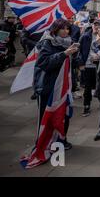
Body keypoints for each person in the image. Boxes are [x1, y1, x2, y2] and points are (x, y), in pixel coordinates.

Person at [35, 18, 80, 150]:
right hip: (49, 86)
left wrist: (76, 56)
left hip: (65, 86)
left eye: (68, 29)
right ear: (56, 29)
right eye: (63, 29)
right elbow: (43, 63)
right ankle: (44, 143)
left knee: (63, 115)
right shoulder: (47, 42)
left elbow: (72, 64)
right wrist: (64, 54)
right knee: (48, 116)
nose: (65, 31)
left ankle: (61, 140)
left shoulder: (69, 42)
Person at [78, 19, 100, 117]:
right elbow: (79, 50)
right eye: (95, 25)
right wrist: (80, 63)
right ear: (92, 26)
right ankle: (86, 106)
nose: (97, 27)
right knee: (87, 87)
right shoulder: (85, 36)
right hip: (88, 65)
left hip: (99, 65)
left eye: (99, 25)